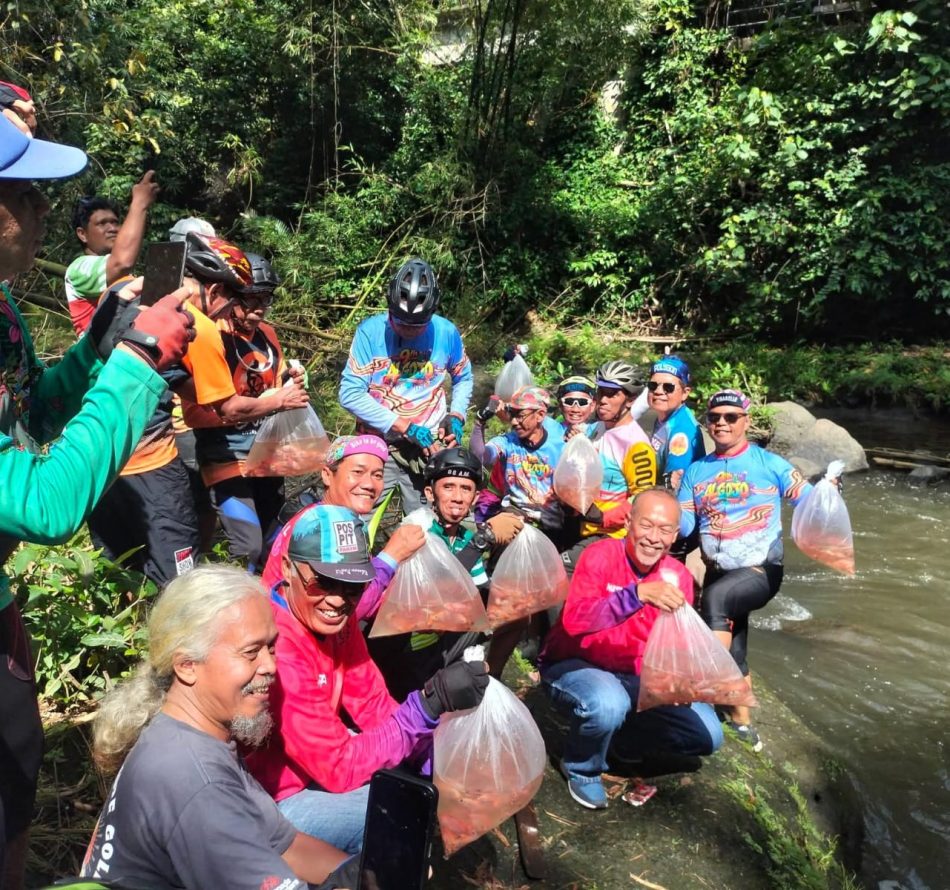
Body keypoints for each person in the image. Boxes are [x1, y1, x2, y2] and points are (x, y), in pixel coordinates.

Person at [0, 113, 194, 890]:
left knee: (17, 777)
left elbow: (35, 411)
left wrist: (100, 345)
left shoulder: (2, 309)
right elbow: (43, 504)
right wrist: (140, 364)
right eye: (27, 194)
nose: (49, 211)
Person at [81, 566, 357, 889]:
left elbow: (285, 845)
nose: (270, 666)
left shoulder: (190, 735)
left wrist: (361, 873)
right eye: (251, 652)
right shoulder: (196, 782)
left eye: (271, 647)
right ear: (187, 665)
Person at [247, 505, 489, 854]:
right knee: (398, 812)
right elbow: (339, 767)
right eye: (322, 581)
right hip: (273, 797)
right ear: (287, 568)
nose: (337, 599)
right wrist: (428, 705)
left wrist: (434, 755)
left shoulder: (335, 625)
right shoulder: (278, 652)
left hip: (312, 767)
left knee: (417, 788)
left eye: (352, 585)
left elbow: (372, 702)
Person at [540, 489, 723, 810]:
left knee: (708, 733)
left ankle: (618, 742)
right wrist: (635, 595)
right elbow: (575, 620)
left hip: (634, 676)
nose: (654, 538)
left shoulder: (678, 576)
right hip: (576, 665)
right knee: (608, 702)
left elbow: (674, 643)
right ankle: (582, 767)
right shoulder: (599, 555)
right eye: (646, 526)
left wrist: (681, 678)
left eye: (665, 530)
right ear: (628, 522)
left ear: (676, 534)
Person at [677, 389, 813, 751]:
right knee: (735, 641)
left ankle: (697, 695)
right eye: (715, 417)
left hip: (761, 570)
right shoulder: (696, 470)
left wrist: (828, 491)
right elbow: (686, 524)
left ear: (746, 422)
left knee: (717, 601)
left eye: (730, 417)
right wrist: (655, 514)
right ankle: (742, 721)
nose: (721, 423)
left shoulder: (770, 464)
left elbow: (807, 498)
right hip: (719, 568)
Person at [177, 233, 310, 571]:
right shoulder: (210, 335)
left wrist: (291, 379)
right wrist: (271, 402)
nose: (258, 309)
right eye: (250, 300)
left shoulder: (267, 335)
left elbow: (276, 381)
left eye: (265, 300)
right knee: (246, 545)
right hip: (226, 456)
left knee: (271, 540)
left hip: (267, 452)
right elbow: (196, 413)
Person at [368, 447, 512, 698]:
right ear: (429, 492)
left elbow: (480, 592)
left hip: (436, 641)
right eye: (448, 487)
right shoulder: (417, 528)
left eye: (465, 489)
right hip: (401, 648)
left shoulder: (464, 536)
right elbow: (435, 592)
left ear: (475, 497)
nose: (457, 497)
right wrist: (482, 540)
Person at [338, 257, 473, 513]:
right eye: (400, 322)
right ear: (390, 310)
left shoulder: (445, 333)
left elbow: (463, 376)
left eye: (418, 325)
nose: (408, 330)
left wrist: (457, 414)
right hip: (379, 441)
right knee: (359, 516)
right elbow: (349, 394)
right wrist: (404, 426)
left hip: (428, 443)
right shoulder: (370, 332)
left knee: (425, 522)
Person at [261, 434, 426, 614]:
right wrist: (391, 555)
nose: (369, 484)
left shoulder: (329, 516)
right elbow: (351, 609)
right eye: (357, 472)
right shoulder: (326, 525)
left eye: (377, 475)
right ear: (327, 475)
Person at [560, 360, 657, 576]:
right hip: (581, 526)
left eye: (612, 394)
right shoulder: (597, 428)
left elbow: (642, 499)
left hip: (612, 535)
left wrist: (602, 516)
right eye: (601, 391)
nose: (602, 400)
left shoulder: (637, 445)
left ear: (631, 400)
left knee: (559, 571)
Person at [64, 173, 160, 333]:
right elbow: (121, 263)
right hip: (96, 357)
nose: (112, 228)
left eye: (115, 222)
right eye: (102, 223)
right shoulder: (79, 268)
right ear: (82, 234)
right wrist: (140, 203)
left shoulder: (114, 269)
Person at [471, 384, 560, 547]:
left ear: (540, 415)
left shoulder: (560, 444)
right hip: (515, 513)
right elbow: (482, 458)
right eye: (511, 414)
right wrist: (479, 422)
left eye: (520, 415)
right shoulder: (508, 441)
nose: (513, 421)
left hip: (551, 517)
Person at [645, 356, 705, 488]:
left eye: (668, 387)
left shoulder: (681, 431)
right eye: (652, 385)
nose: (658, 392)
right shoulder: (664, 417)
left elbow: (672, 487)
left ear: (685, 393)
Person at [556, 375, 597, 439]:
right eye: (569, 402)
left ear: (592, 406)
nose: (575, 409)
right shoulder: (549, 430)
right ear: (560, 405)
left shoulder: (601, 431)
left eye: (582, 402)